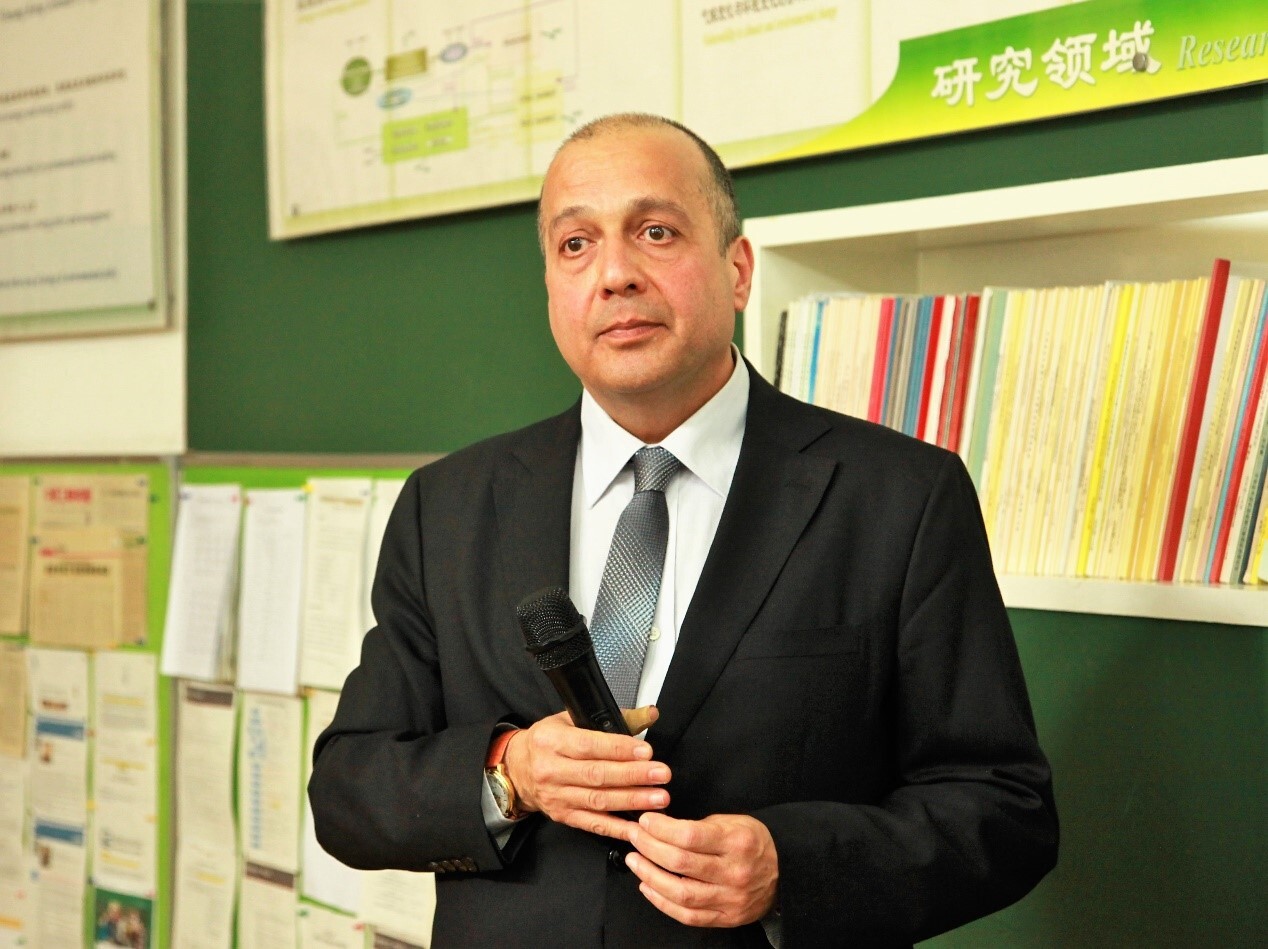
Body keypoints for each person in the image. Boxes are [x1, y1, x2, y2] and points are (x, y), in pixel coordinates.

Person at [309, 113, 1058, 947]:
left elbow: (1005, 806)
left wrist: (791, 866)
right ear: (551, 287)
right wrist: (509, 771)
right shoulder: (447, 506)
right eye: (576, 245)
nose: (615, 274)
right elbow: (348, 789)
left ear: (737, 270)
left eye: (656, 232)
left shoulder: (899, 496)